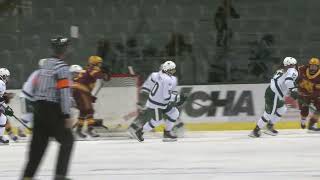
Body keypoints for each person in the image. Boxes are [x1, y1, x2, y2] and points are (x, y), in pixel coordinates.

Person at [22, 35, 74, 180]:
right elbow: (63, 92)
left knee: (37, 148)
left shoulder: (45, 65)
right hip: (53, 110)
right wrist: (66, 115)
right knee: (67, 140)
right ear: (66, 50)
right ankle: (60, 176)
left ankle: (27, 177)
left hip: (39, 109)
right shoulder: (62, 68)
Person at [129, 61, 186, 142]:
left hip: (160, 101)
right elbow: (166, 96)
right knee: (157, 121)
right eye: (171, 69)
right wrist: (178, 97)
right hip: (156, 103)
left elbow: (165, 93)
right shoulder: (168, 79)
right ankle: (139, 132)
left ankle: (167, 133)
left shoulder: (157, 75)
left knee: (174, 113)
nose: (173, 71)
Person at [249, 57, 299, 138]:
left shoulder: (280, 70)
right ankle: (255, 131)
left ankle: (270, 126)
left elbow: (283, 82)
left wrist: (292, 90)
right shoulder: (292, 70)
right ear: (292, 65)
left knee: (282, 109)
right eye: (294, 65)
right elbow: (288, 81)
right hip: (274, 94)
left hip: (271, 91)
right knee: (268, 114)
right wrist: (293, 89)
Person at [72, 56, 111, 138]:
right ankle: (90, 129)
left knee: (83, 111)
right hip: (81, 90)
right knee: (89, 110)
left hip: (80, 90)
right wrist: (104, 74)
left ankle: (78, 130)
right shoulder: (92, 69)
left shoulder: (88, 69)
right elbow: (97, 75)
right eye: (99, 63)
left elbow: (102, 78)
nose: (100, 65)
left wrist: (90, 96)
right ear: (95, 63)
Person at [18, 59, 47, 137]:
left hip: (29, 96)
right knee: (29, 114)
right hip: (27, 96)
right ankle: (20, 130)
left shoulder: (39, 73)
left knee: (33, 114)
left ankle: (21, 129)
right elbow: (35, 85)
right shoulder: (40, 74)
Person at [297, 58, 320, 132]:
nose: (313, 68)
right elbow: (293, 73)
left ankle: (311, 125)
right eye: (312, 66)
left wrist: (313, 96)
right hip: (302, 93)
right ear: (309, 65)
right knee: (304, 110)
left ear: (318, 67)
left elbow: (318, 90)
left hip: (314, 94)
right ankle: (303, 121)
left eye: (315, 66)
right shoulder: (302, 69)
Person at [0, 68, 11, 144]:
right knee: (3, 118)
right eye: (6, 76)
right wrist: (6, 107)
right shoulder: (1, 83)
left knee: (2, 117)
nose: (7, 78)